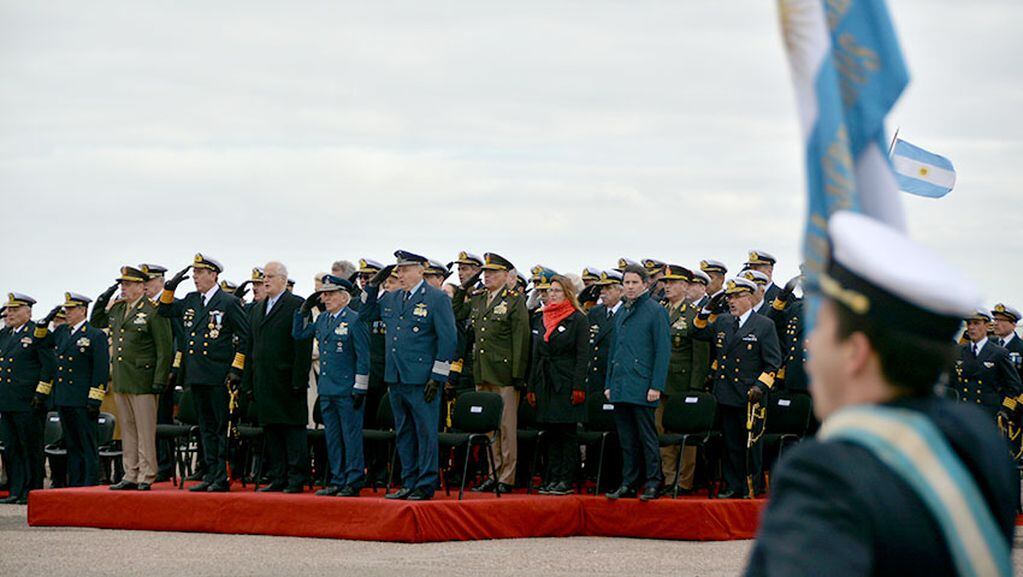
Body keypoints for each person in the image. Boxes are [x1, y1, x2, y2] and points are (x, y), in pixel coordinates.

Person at [745, 211, 1016, 577]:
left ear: (855, 352)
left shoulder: (823, 469)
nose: (809, 353)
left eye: (819, 335)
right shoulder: (975, 437)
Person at [360, 250, 457, 501]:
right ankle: (409, 481)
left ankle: (425, 483)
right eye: (398, 270)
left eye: (405, 269)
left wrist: (438, 376)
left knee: (425, 432)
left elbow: (448, 340)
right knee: (404, 432)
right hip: (396, 376)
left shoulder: (436, 298)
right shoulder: (392, 299)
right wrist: (372, 287)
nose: (400, 274)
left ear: (420, 270)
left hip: (422, 378)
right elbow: (365, 314)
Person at [158, 253, 251, 493]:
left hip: (219, 376)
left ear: (213, 275)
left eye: (200, 273)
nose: (196, 278)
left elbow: (245, 337)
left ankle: (221, 477)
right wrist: (170, 287)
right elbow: (165, 311)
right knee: (205, 428)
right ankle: (210, 474)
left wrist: (236, 368)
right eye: (195, 274)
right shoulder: (191, 300)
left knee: (219, 428)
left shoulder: (228, 302)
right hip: (196, 374)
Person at [693, 276, 781, 498]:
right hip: (725, 393)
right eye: (729, 297)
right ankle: (733, 485)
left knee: (751, 445)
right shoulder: (723, 321)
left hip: (750, 395)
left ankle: (751, 485)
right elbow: (698, 332)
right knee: (730, 443)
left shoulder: (763, 325)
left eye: (736, 297)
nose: (731, 301)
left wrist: (761, 386)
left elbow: (773, 362)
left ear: (749, 298)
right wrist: (705, 311)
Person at [452, 253, 530, 494]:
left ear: (506, 276)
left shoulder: (514, 300)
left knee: (506, 427)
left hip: (504, 372)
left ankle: (507, 476)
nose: (487, 277)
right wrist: (465, 285)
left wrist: (517, 374)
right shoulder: (478, 298)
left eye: (493, 273)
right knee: (487, 428)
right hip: (482, 370)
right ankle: (492, 473)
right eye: (485, 272)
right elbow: (456, 312)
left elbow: (521, 338)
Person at [91, 267, 173, 491]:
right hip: (122, 377)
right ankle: (130, 473)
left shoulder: (153, 311)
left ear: (140, 286)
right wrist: (104, 296)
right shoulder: (118, 310)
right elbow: (97, 320)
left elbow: (164, 349)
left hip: (143, 379)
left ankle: (147, 474)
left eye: (127, 284)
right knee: (127, 428)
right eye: (121, 285)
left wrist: (160, 379)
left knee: (145, 429)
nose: (123, 288)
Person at [293, 275, 370, 497]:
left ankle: (353, 479)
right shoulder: (324, 320)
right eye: (323, 294)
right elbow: (299, 334)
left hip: (348, 389)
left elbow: (363, 357)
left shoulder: (355, 320)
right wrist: (303, 311)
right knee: (333, 437)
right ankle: (337, 479)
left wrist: (360, 387)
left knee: (350, 436)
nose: (325, 298)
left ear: (343, 296)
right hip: (327, 388)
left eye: (330, 294)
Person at [244, 262, 313, 493]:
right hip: (264, 380)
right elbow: (251, 346)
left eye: (271, 276)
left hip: (287, 380)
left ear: (284, 280)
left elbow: (302, 347)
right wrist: (248, 381)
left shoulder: (297, 306)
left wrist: (298, 380)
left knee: (292, 431)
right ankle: (278, 475)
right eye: (264, 276)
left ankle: (296, 477)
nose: (266, 280)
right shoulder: (257, 308)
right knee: (271, 431)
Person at [604, 264, 671, 501]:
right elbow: (614, 350)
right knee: (626, 438)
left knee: (647, 436)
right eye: (626, 283)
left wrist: (656, 385)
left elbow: (662, 351)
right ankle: (629, 481)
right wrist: (609, 383)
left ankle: (654, 481)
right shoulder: (622, 311)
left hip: (643, 384)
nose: (630, 287)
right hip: (621, 383)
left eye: (634, 283)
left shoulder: (655, 311)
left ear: (645, 284)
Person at [34, 293, 109, 488]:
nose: (66, 313)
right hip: (64, 398)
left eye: (70, 309)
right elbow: (40, 343)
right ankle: (75, 483)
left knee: (87, 445)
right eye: (65, 309)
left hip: (83, 399)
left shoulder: (95, 335)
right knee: (72, 445)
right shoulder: (61, 333)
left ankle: (90, 483)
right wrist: (44, 323)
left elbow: (100, 369)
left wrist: (95, 399)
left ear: (82, 310)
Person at [526, 275, 588, 495]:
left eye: (557, 291)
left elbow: (582, 356)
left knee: (566, 432)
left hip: (566, 380)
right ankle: (551, 476)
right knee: (550, 432)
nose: (552, 294)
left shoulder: (578, 319)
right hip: (546, 382)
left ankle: (566, 478)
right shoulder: (541, 318)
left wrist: (578, 387)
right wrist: (532, 386)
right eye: (550, 290)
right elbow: (535, 354)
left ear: (568, 293)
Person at [657, 264, 710, 495]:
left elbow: (700, 356)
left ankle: (684, 481)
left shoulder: (693, 316)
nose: (667, 287)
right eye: (665, 283)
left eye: (672, 283)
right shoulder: (660, 310)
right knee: (663, 433)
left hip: (684, 384)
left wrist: (695, 388)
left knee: (686, 437)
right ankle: (669, 479)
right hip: (660, 383)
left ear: (685, 286)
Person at [0, 293, 55, 503]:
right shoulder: (5, 335)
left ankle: (32, 489)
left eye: (14, 310)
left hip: (28, 400)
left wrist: (41, 393)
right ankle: (16, 490)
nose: (9, 314)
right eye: (8, 310)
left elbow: (48, 366)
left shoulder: (37, 333)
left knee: (30, 447)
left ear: (28, 311)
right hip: (7, 400)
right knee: (11, 447)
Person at [955, 309, 1022, 419]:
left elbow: (1014, 386)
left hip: (988, 414)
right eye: (969, 323)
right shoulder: (959, 351)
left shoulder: (998, 353)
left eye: (976, 323)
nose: (971, 327)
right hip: (963, 413)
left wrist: (1005, 409)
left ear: (987, 325)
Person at [584, 270, 623, 396]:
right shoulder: (595, 312)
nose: (602, 292)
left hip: (613, 374)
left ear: (620, 291)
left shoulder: (626, 313)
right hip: (594, 375)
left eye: (608, 288)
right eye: (601, 288)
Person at [990, 304, 1023, 381]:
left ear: (1013, 325)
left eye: (1001, 320)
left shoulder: (1021, 347)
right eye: (995, 319)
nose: (996, 323)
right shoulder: (988, 344)